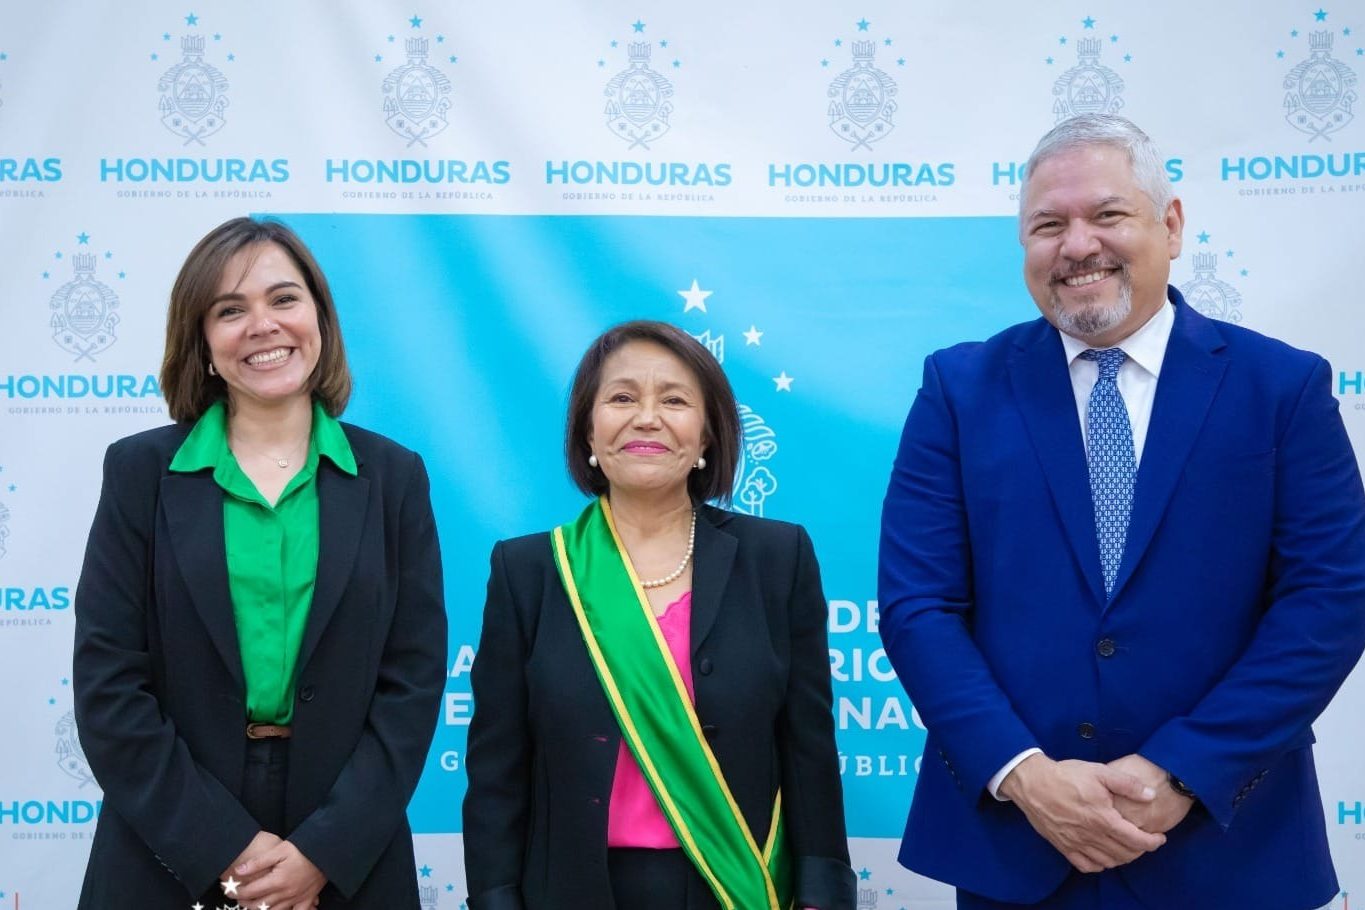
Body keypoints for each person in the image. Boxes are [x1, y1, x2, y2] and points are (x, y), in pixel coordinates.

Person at [878, 114, 1365, 909]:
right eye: (1048, 226)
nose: (1077, 246)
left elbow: (1330, 601)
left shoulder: (1280, 388)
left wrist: (1183, 770)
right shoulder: (958, 390)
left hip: (1227, 851)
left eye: (1106, 215)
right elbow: (917, 604)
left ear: (1169, 226)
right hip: (1021, 847)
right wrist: (1023, 776)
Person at [73, 217, 447, 909]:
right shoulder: (139, 473)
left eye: (283, 299)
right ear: (203, 343)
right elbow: (109, 686)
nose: (263, 325)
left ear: (319, 318)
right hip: (170, 841)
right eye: (230, 310)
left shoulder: (394, 476)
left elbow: (412, 683)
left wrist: (323, 852)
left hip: (343, 848)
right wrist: (223, 847)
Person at [463, 320, 856, 910]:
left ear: (706, 436)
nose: (647, 418)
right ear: (588, 430)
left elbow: (809, 750)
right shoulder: (530, 571)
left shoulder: (778, 558)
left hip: (734, 886)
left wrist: (824, 892)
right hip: (571, 890)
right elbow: (497, 768)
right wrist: (495, 898)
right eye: (622, 398)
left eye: (674, 401)